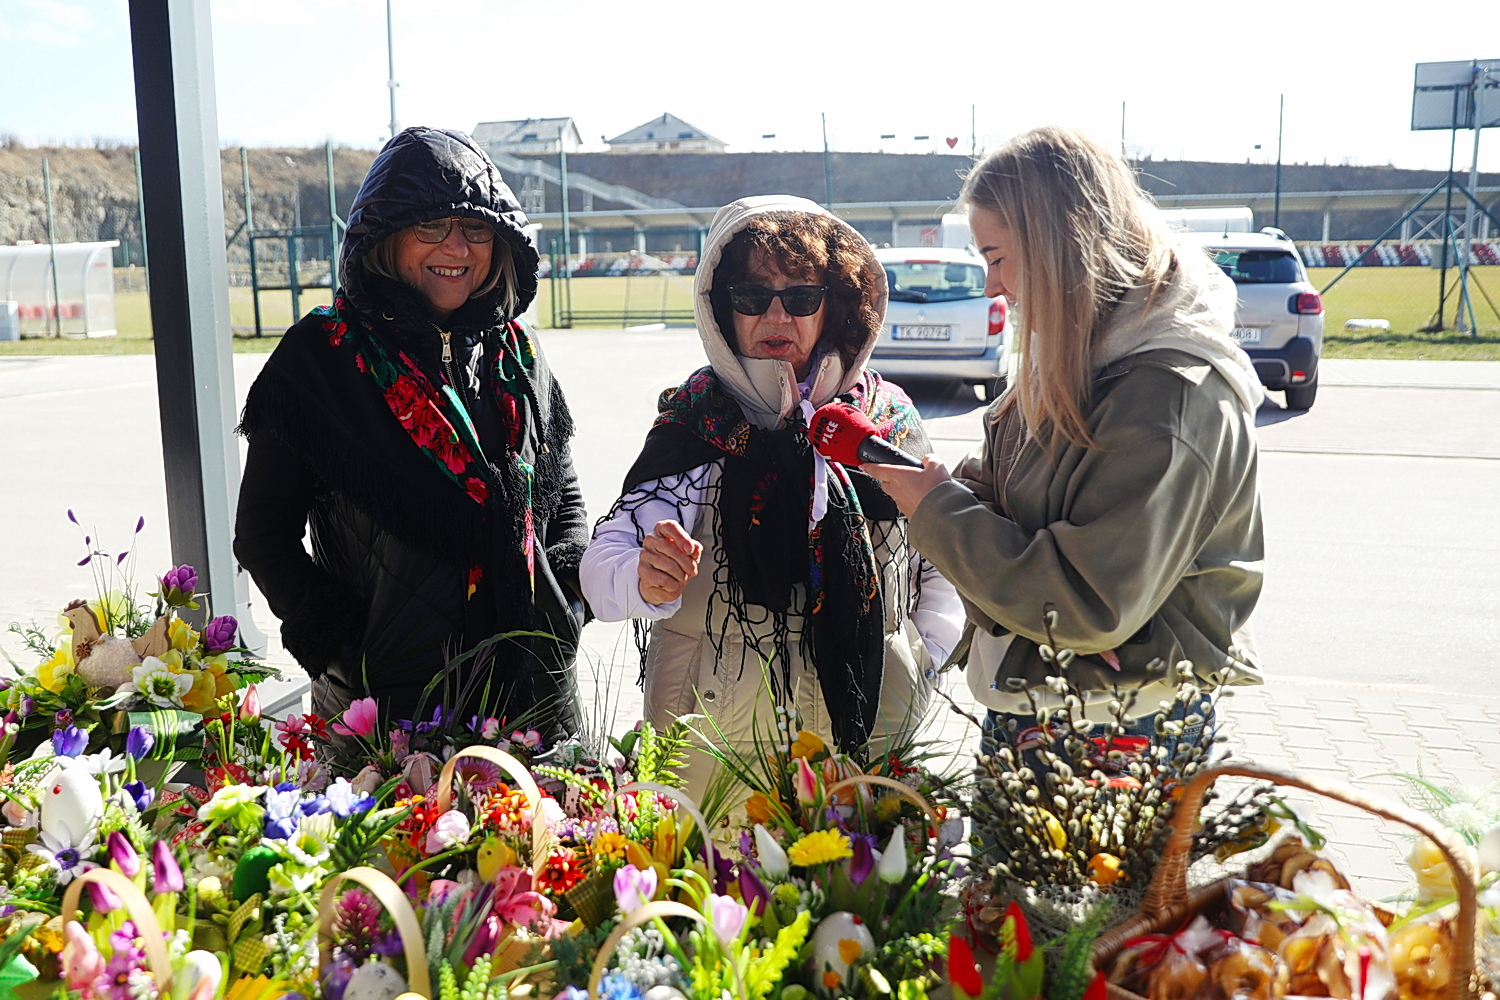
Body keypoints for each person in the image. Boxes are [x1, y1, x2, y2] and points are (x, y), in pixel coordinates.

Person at [863, 126, 1265, 756]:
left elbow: (1081, 605)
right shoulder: (1086, 361)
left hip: (1116, 732)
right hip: (1054, 711)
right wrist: (944, 497)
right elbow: (1024, 519)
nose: (992, 286)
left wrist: (938, 508)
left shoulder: (1167, 394)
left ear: (1058, 245)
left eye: (996, 257)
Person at [580, 195, 964, 791]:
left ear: (833, 304)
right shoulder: (693, 423)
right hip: (708, 757)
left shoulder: (889, 422)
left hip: (867, 739)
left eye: (802, 296)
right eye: (753, 297)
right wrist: (642, 578)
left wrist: (919, 658)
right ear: (721, 308)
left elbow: (944, 559)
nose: (777, 318)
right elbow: (601, 570)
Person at [235, 127, 586, 738]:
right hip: (388, 712)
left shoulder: (522, 356)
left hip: (536, 702)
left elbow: (566, 501)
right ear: (385, 235)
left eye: (477, 228)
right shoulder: (321, 357)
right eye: (429, 225)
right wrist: (342, 647)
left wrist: (565, 610)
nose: (456, 245)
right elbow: (263, 535)